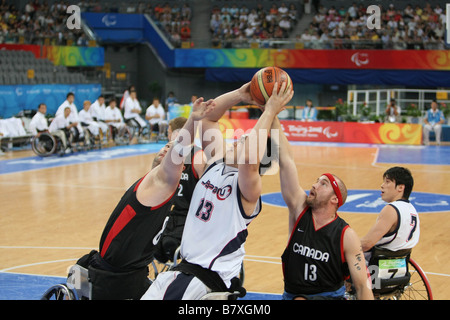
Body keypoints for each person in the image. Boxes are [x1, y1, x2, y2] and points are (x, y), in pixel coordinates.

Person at [141, 81, 294, 300]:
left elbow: (250, 160)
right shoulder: (215, 163)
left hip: (207, 276)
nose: (238, 140)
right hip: (185, 269)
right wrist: (240, 94)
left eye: (244, 141)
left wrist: (269, 110)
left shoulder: (249, 189)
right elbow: (208, 119)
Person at [73, 97, 215, 300]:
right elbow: (178, 153)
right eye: (166, 145)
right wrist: (193, 119)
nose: (168, 148)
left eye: (172, 147)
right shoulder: (154, 183)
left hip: (131, 271)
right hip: (116, 274)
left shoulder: (168, 189)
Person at [271, 116, 373, 300]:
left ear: (335, 199)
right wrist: (271, 114)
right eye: (316, 181)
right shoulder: (299, 209)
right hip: (291, 294)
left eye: (323, 183)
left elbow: (362, 285)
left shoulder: (346, 234)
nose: (314, 185)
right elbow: (286, 160)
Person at [154, 116, 207, 263]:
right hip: (168, 214)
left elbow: (208, 188)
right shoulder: (167, 155)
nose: (168, 135)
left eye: (169, 132)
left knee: (170, 246)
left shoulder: (198, 156)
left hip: (188, 217)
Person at [360, 167, 420, 259]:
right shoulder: (412, 210)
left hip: (378, 264)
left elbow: (366, 244)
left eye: (387, 182)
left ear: (400, 187)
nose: (382, 185)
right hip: (401, 262)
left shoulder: (391, 209)